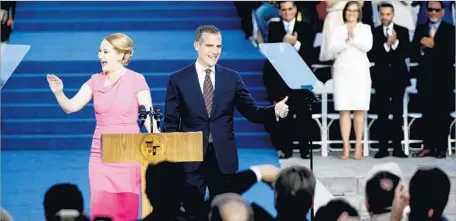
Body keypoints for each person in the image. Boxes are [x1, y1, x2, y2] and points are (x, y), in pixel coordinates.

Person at [164, 25, 289, 221]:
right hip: (190, 158)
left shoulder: (232, 78)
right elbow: (170, 123)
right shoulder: (178, 80)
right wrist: (170, 161)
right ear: (197, 45)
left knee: (224, 212)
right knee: (191, 213)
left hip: (223, 158)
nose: (215, 51)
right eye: (209, 45)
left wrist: (274, 111)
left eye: (219, 46)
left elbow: (252, 111)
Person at [46, 33, 159, 221]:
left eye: (106, 51)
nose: (100, 56)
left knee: (127, 209)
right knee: (101, 209)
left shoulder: (137, 80)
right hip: (101, 155)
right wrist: (59, 93)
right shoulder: (95, 81)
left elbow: (150, 121)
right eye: (99, 51)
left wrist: (164, 145)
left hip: (129, 154)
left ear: (121, 55)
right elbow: (70, 107)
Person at [262, 1, 316, 159]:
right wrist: (284, 44)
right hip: (280, 79)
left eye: (290, 9)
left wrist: (296, 44)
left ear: (296, 10)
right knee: (284, 117)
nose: (287, 12)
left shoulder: (305, 26)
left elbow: (310, 53)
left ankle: (305, 149)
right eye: (283, 10)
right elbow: (272, 54)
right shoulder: (274, 28)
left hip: (300, 78)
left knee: (303, 115)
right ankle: (286, 149)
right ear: (280, 11)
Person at [410, 1, 455, 159]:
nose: (433, 13)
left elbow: (451, 53)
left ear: (443, 11)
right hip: (425, 78)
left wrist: (434, 45)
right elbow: (413, 52)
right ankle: (427, 146)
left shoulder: (451, 30)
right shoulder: (421, 28)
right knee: (427, 113)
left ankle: (440, 148)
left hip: (444, 79)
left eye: (437, 10)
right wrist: (422, 48)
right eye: (430, 10)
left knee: (442, 114)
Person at [329, 1, 373, 160]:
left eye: (355, 11)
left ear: (359, 13)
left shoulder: (365, 28)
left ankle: (358, 146)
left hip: (360, 72)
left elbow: (367, 46)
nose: (351, 13)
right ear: (345, 12)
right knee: (344, 110)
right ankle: (346, 146)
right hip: (342, 72)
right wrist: (346, 40)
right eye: (349, 10)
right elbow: (333, 48)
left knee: (359, 110)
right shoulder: (338, 29)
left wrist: (352, 39)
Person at [369, 2, 408, 159]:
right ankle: (383, 148)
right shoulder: (374, 32)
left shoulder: (402, 31)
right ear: (379, 15)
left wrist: (396, 43)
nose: (385, 17)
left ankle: (398, 148)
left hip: (398, 78)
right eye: (383, 14)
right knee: (382, 113)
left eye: (388, 14)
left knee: (397, 113)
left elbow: (407, 52)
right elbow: (372, 54)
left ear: (393, 15)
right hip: (381, 78)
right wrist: (387, 44)